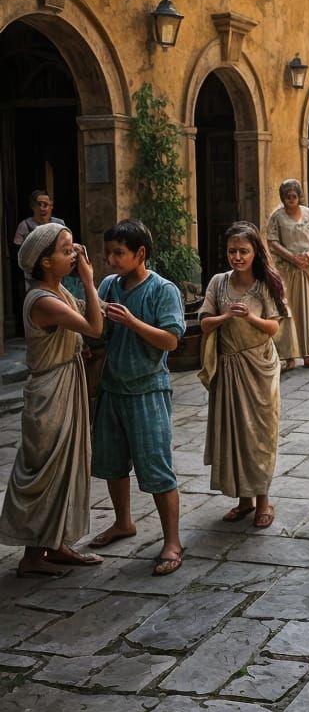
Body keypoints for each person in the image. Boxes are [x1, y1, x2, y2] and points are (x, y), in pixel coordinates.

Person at [0, 224, 103, 577]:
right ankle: (32, 556)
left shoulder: (57, 289)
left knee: (68, 468)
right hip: (50, 392)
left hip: (66, 380)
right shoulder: (42, 299)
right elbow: (94, 326)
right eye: (66, 250)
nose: (74, 255)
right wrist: (89, 279)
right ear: (45, 261)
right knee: (46, 469)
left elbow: (84, 326)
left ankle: (56, 543)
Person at [87, 219, 186, 576]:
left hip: (148, 389)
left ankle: (172, 540)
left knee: (157, 468)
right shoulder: (109, 286)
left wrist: (133, 323)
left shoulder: (162, 290)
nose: (111, 260)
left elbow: (171, 341)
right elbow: (99, 333)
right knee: (112, 463)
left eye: (119, 253)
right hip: (113, 388)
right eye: (108, 253)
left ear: (140, 253)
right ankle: (123, 521)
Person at [198, 222, 285, 530]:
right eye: (232, 251)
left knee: (260, 435)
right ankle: (243, 500)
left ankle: (263, 500)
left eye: (243, 251)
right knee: (234, 433)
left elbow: (275, 327)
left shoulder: (264, 284)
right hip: (228, 366)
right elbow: (205, 323)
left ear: (255, 252)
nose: (237, 257)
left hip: (259, 366)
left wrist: (251, 317)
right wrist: (225, 316)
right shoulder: (218, 283)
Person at [266, 179, 309, 371]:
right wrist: (292, 257)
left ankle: (308, 354)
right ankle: (289, 356)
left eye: (294, 196)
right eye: (287, 197)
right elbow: (272, 241)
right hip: (286, 269)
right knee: (288, 309)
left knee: (308, 308)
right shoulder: (277, 216)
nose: (291, 200)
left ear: (299, 196)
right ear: (282, 198)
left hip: (306, 268)